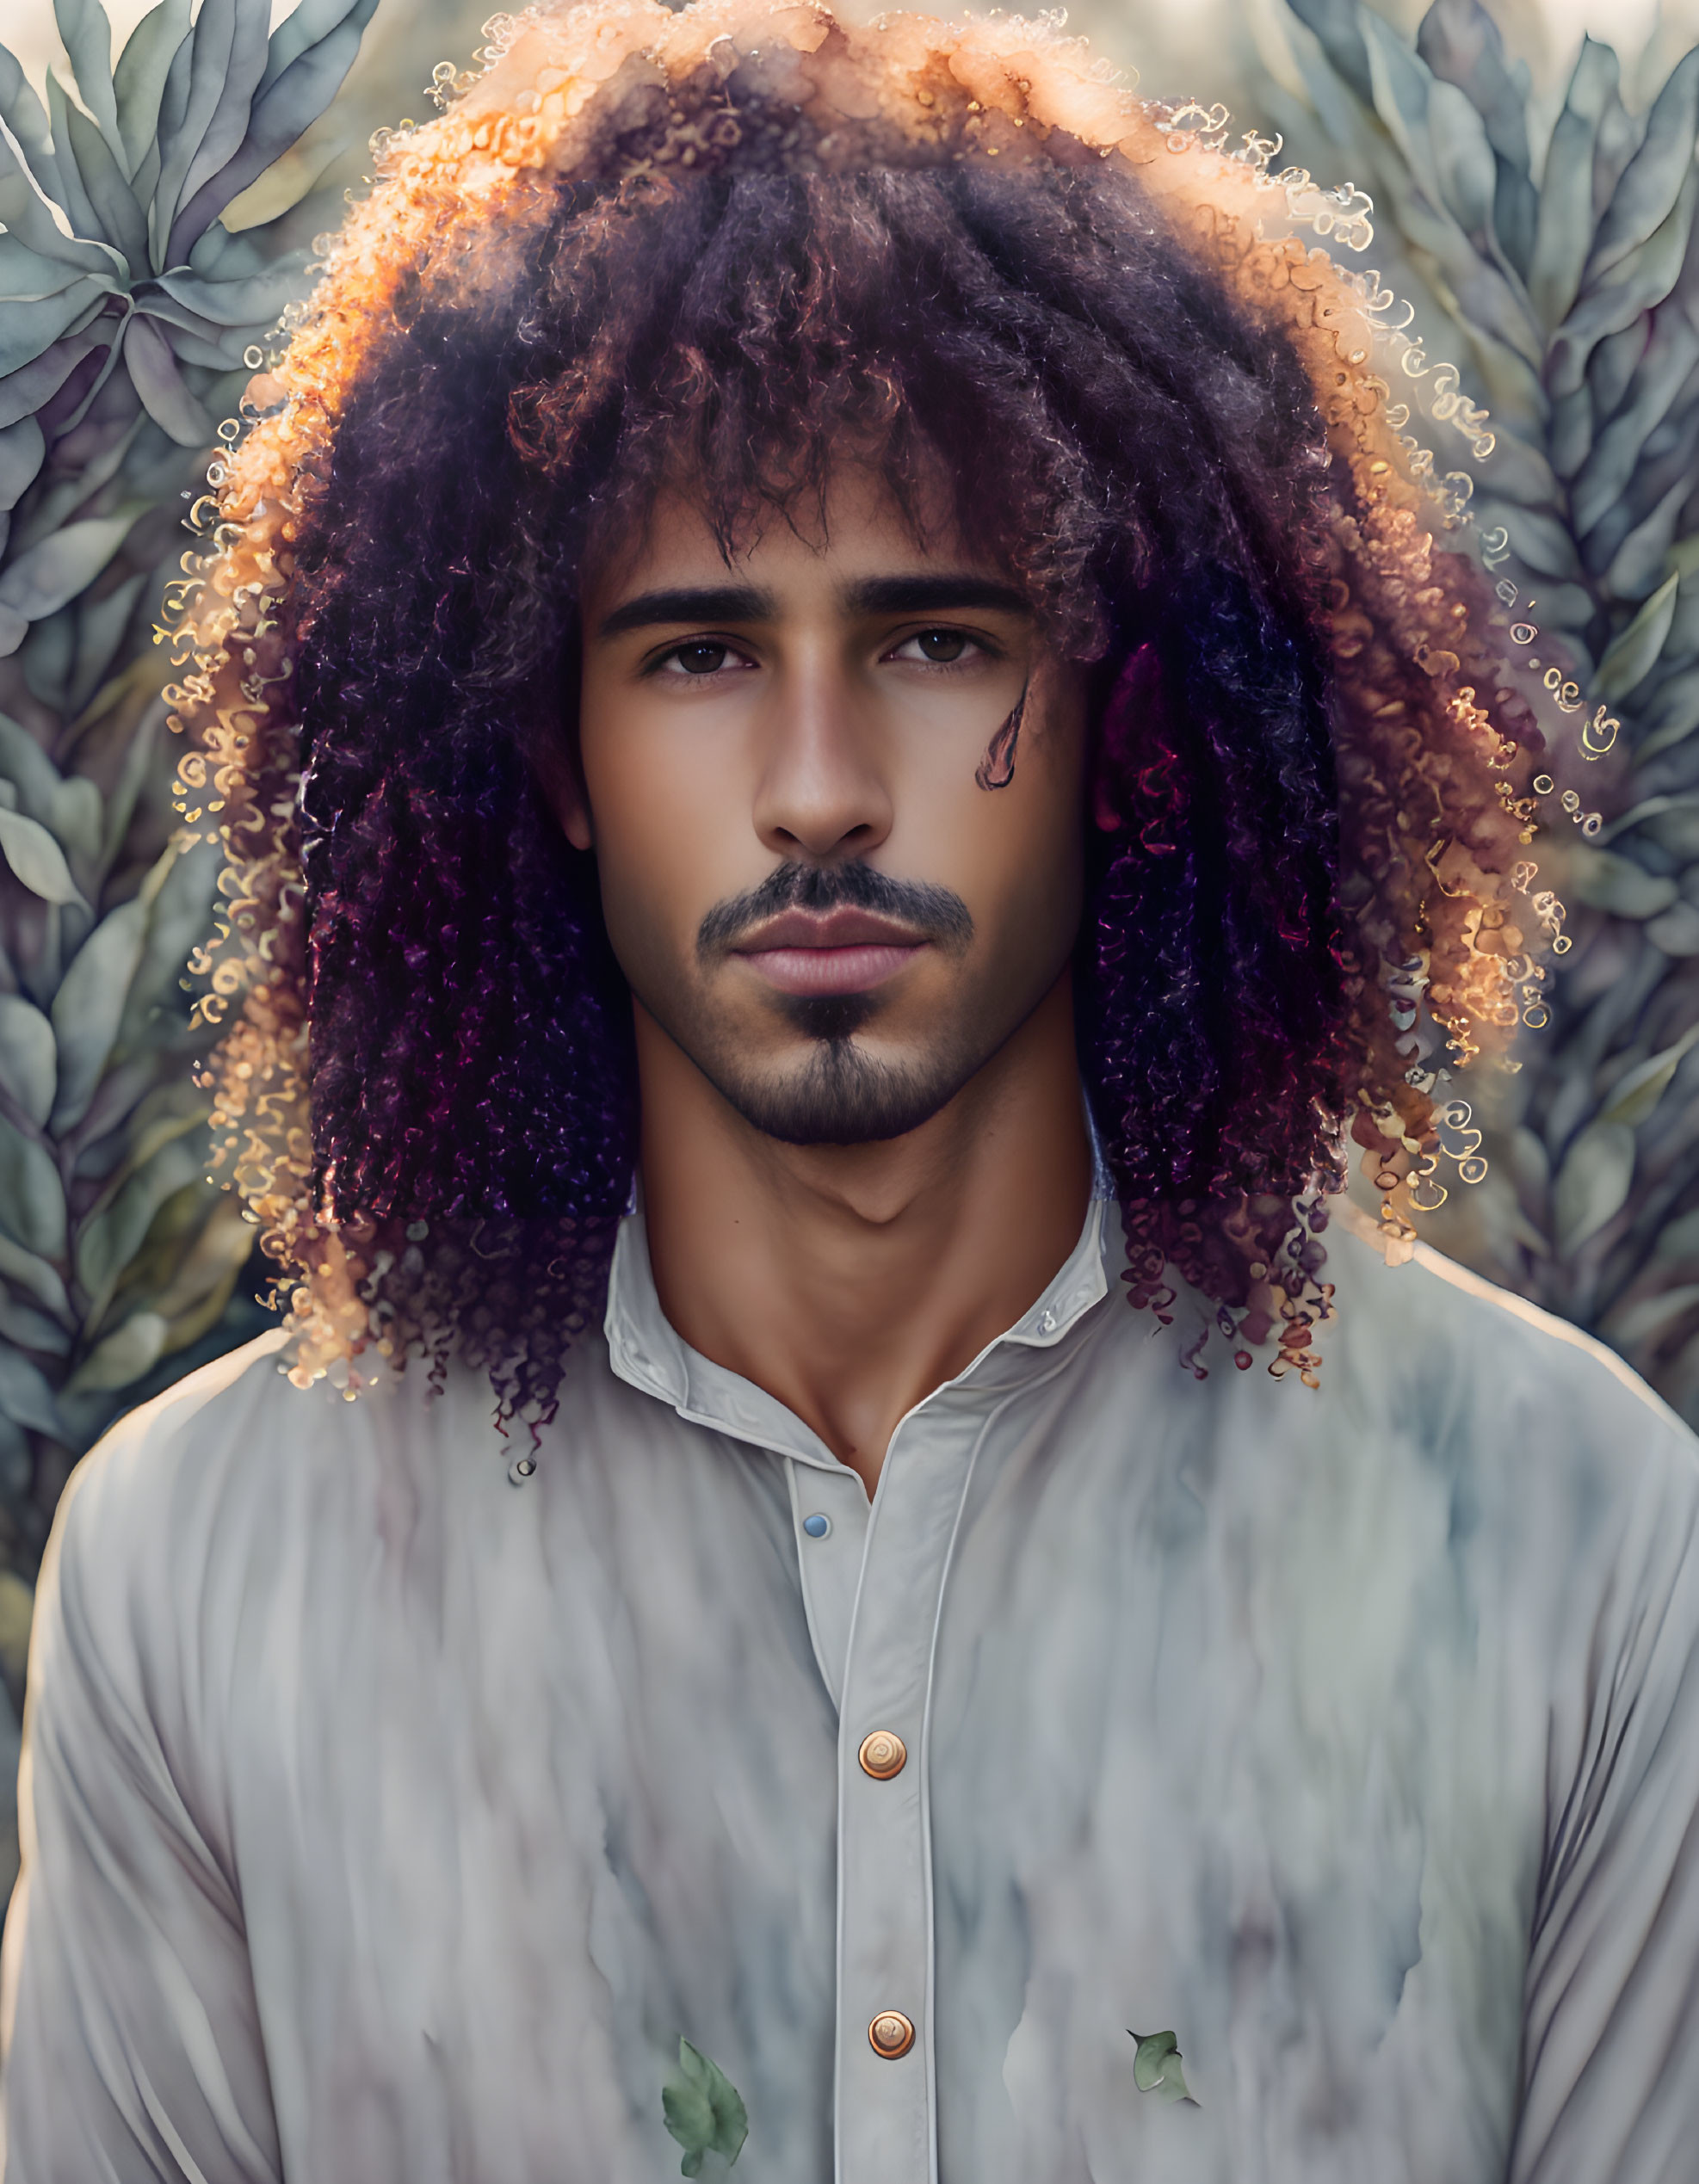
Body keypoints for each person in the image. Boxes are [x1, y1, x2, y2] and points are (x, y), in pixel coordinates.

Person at [3, 2, 1697, 2178]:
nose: (816, 790)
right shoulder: (201, 1582)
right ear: (554, 755)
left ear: (1134, 723)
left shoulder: (1575, 1548)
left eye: (936, 641)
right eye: (700, 656)